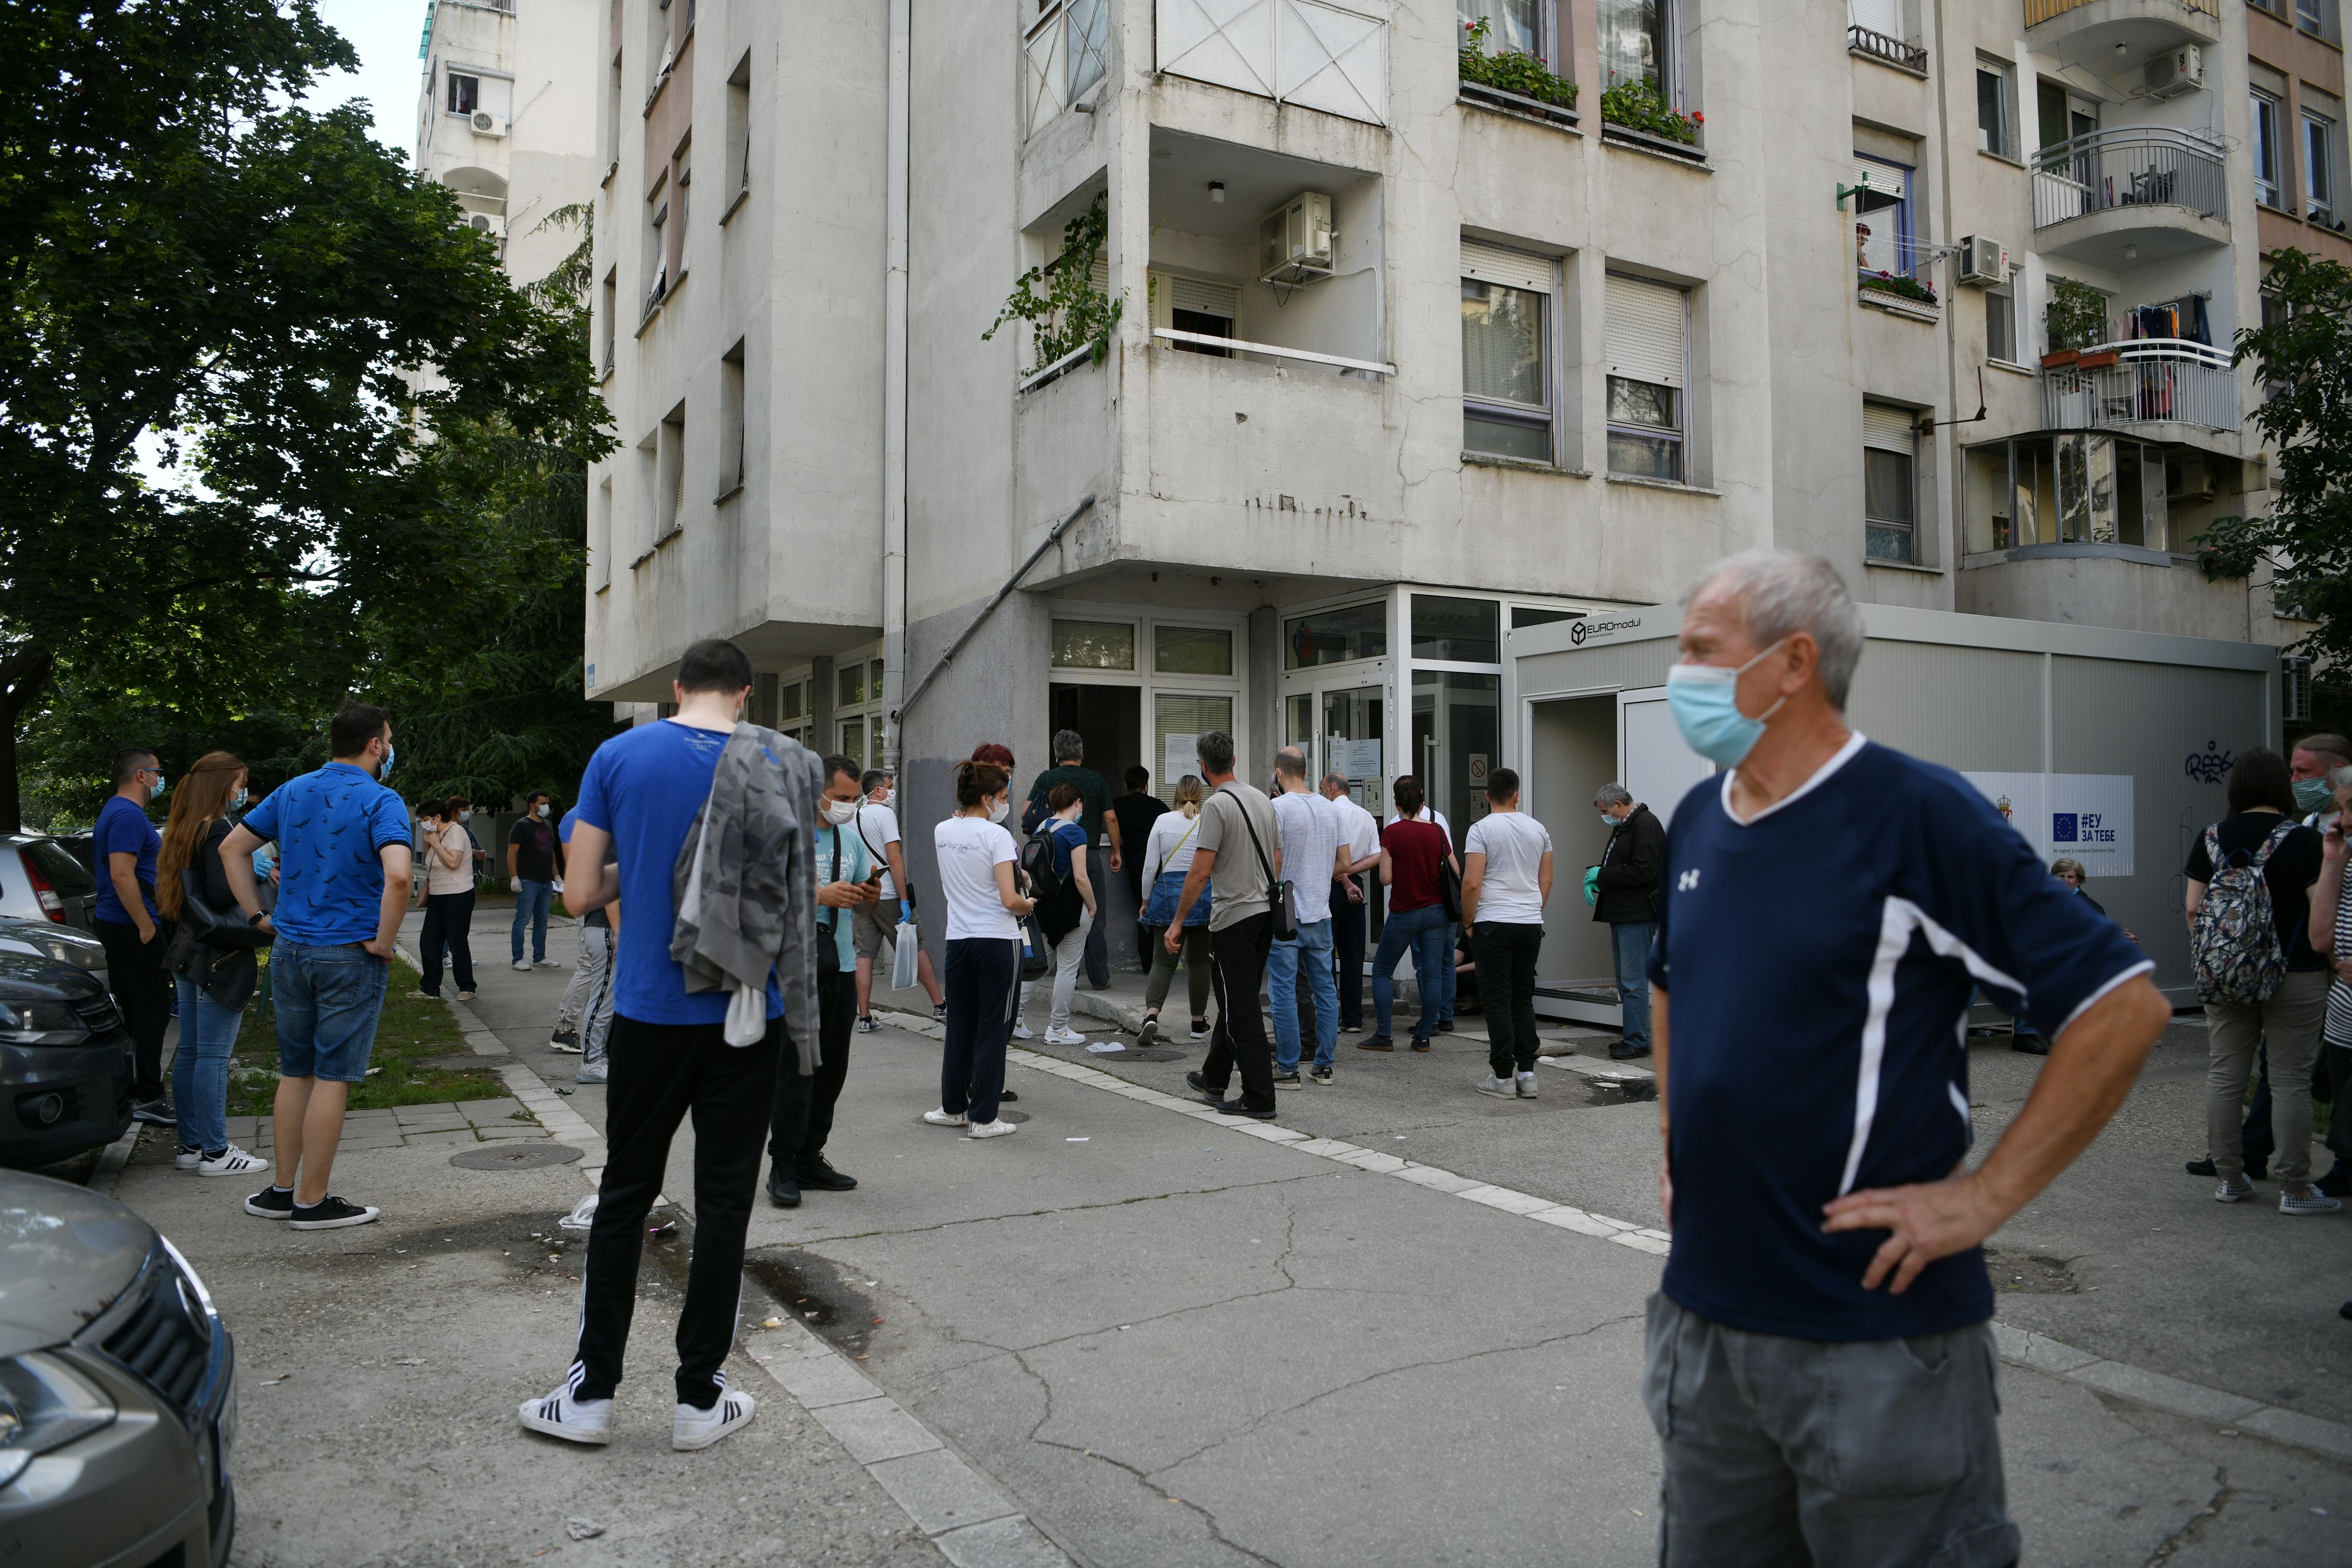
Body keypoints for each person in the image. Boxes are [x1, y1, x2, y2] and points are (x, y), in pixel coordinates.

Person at [1642, 550, 2169, 1563]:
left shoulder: (1915, 814)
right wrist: (1677, 1133)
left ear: (1794, 663)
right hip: (1703, 1327)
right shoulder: (1706, 814)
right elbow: (1670, 978)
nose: (1683, 672)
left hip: (1874, 1343)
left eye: (1702, 650)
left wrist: (1983, 1200)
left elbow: (2121, 1005)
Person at [517, 638, 807, 1453]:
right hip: (749, 1012)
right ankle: (698, 1398)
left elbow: (578, 892)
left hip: (650, 1012)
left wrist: (634, 874)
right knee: (723, 1204)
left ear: (678, 688)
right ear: (746, 695)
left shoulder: (618, 755)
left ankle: (591, 1397)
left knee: (625, 1195)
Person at [221, 701, 413, 1231]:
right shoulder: (383, 800)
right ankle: (313, 1200)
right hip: (349, 951)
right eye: (388, 739)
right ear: (376, 744)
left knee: (296, 1071)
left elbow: (233, 848)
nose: (390, 748)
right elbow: (398, 877)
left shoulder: (292, 790)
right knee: (333, 1075)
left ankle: (282, 1192)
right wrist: (384, 941)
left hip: (289, 949)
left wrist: (259, 915)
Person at [2186, 745, 2338, 1213]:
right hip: (2298, 974)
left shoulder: (2211, 837)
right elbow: (2321, 914)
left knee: (2226, 1072)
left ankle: (2231, 1178)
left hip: (2226, 976)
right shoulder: (2304, 841)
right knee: (2290, 1078)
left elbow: (2193, 908)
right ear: (2281, 786)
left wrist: (2221, 958)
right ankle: (2294, 1188)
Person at [155, 751, 271, 1179]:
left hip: (190, 950)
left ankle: (192, 1144)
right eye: (239, 783)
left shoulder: (185, 828)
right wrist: (256, 873)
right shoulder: (219, 828)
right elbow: (224, 895)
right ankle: (216, 1151)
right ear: (224, 784)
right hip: (218, 955)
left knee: (189, 1052)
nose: (242, 791)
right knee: (212, 1056)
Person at [770, 755, 878, 1207]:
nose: (849, 806)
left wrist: (867, 895)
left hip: (841, 965)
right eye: (842, 797)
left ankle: (812, 1155)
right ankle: (783, 1163)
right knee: (796, 1069)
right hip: (792, 968)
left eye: (855, 798)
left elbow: (863, 910)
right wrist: (818, 894)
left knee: (831, 1070)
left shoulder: (849, 838)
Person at [1171, 731, 1281, 1120]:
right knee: (1240, 999)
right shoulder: (1262, 800)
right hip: (1265, 913)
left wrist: (1178, 923)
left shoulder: (1217, 806)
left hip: (1233, 917)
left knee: (1241, 1012)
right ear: (1233, 759)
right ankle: (1213, 1078)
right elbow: (1278, 859)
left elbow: (1200, 872)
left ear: (1203, 767)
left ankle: (1259, 1097)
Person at [928, 760, 1034, 1138]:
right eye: (1004, 797)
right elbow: (1010, 900)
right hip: (997, 942)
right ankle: (984, 1117)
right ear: (988, 798)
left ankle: (953, 1107)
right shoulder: (998, 836)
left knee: (960, 1025)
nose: (1006, 803)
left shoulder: (943, 830)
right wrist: (1030, 902)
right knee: (994, 1028)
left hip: (958, 939)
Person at [95, 747, 175, 1125]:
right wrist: (146, 925)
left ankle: (131, 1090)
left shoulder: (119, 811)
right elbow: (122, 874)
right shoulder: (126, 815)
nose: (161, 778)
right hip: (131, 927)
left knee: (135, 1008)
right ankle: (148, 1094)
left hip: (122, 924)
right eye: (157, 772)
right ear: (141, 775)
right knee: (153, 1008)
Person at [1463, 767, 1554, 1100]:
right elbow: (1546, 880)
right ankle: (1527, 1074)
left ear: (1487, 796)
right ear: (1517, 795)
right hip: (1529, 922)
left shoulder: (1481, 829)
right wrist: (1533, 908)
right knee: (1522, 997)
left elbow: (1473, 882)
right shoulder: (1538, 829)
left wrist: (1469, 921)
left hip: (1493, 921)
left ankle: (1502, 1076)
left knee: (1497, 998)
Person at [1268, 747, 1345, 1089]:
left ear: (1279, 773)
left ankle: (1288, 1068)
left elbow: (1276, 863)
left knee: (1283, 990)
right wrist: (1318, 874)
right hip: (1322, 912)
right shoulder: (1330, 809)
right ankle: (1324, 1066)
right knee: (1325, 990)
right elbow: (1344, 862)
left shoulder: (1277, 808)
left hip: (1287, 912)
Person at [850, 768, 946, 1031]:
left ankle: (865, 1017)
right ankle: (940, 1006)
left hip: (861, 893)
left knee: (864, 954)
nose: (892, 791)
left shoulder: (852, 815)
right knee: (915, 945)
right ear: (878, 790)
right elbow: (894, 859)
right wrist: (905, 901)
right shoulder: (884, 814)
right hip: (888, 894)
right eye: (890, 786)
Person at [1024, 730, 1120, 988]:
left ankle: (1068, 976)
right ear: (1081, 753)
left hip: (1053, 857)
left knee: (1062, 913)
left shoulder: (1047, 778)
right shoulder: (1095, 779)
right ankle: (1100, 979)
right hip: (1086, 852)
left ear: (1056, 753)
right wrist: (1116, 851)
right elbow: (1110, 817)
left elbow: (1026, 812)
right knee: (1093, 914)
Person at [1367, 777, 1451, 1054]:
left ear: (1396, 802)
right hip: (1436, 912)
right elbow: (1456, 871)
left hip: (1404, 912)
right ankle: (1424, 1037)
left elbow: (1385, 878)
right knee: (1432, 975)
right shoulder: (1438, 831)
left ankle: (1384, 1035)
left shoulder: (1392, 832)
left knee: (1381, 971)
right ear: (1421, 801)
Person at [1138, 775, 1214, 1048]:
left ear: (1176, 795)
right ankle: (1197, 1022)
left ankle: (1151, 1015)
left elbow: (1150, 868)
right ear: (1200, 795)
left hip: (1168, 894)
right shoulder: (1207, 820)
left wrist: (1147, 900)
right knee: (1199, 961)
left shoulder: (1162, 821)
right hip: (1203, 893)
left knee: (1162, 960)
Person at [1018, 783, 1097, 1045]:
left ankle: (1015, 1019)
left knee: (1039, 965)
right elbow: (1081, 876)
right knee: (1068, 967)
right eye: (1081, 804)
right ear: (1077, 803)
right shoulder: (1076, 832)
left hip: (1044, 904)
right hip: (1071, 907)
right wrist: (1093, 906)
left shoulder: (1042, 827)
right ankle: (1058, 1029)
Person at [1592, 783, 1665, 1062]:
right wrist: (1598, 875)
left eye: (1606, 811)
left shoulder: (1644, 824)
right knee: (1627, 980)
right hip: (1625, 911)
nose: (1605, 816)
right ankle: (1635, 1036)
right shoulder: (1628, 824)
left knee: (1633, 981)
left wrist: (1602, 876)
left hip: (1637, 912)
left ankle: (1637, 1040)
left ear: (1619, 805)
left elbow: (1643, 871)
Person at [550, 805, 619, 1085]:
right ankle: (591, 1062)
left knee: (611, 998)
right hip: (605, 929)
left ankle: (602, 1057)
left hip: (609, 928)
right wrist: (619, 931)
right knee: (603, 996)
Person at [1394, 791, 1460, 1031]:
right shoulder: (1439, 820)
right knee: (1445, 961)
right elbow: (1455, 867)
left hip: (1420, 904)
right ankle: (1446, 1017)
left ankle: (1429, 1020)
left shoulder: (1396, 825)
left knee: (1424, 964)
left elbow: (1388, 875)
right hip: (1447, 902)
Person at [1321, 774, 1381, 1034]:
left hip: (1330, 884)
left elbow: (1324, 851)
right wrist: (1351, 872)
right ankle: (1354, 1018)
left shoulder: (1327, 812)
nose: (1322, 793)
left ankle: (1328, 1015)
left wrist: (1342, 874)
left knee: (1325, 952)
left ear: (1332, 789)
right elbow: (1377, 855)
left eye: (1323, 789)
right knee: (1353, 953)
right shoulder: (1365, 816)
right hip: (1358, 885)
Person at [415, 794, 478, 1002]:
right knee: (429, 942)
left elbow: (453, 862)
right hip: (438, 896)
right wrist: (430, 844)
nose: (423, 824)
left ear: (436, 817)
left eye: (425, 820)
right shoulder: (437, 836)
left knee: (457, 943)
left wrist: (436, 843)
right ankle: (430, 987)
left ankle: (467, 987)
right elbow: (430, 863)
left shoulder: (456, 832)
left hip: (458, 895)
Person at [1112, 767, 1168, 972]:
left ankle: (1147, 964)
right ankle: (1161, 961)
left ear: (1127, 785)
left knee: (1142, 909)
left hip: (1134, 863)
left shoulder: (1118, 804)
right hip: (1158, 864)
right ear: (1146, 785)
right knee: (1159, 910)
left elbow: (1112, 827)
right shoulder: (1158, 806)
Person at [507, 791, 564, 971]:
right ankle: (518, 958)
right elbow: (512, 853)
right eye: (543, 803)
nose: (546, 806)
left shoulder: (547, 825)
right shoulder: (521, 826)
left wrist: (557, 876)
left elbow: (551, 852)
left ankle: (539, 957)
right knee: (523, 919)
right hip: (528, 880)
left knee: (542, 920)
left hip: (546, 882)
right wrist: (514, 877)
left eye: (548, 803)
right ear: (533, 805)